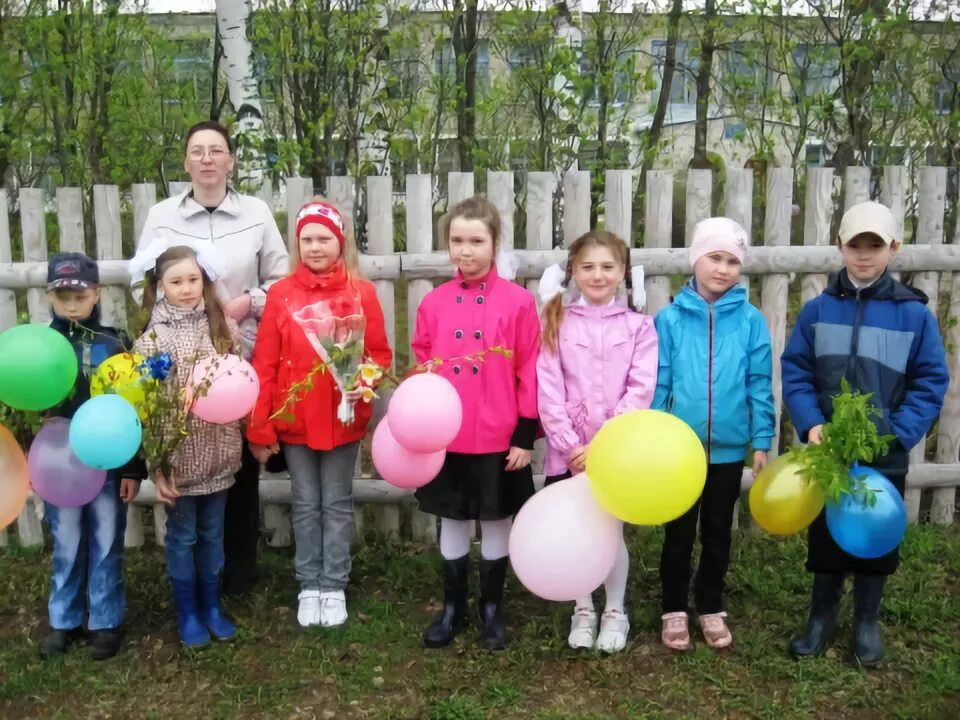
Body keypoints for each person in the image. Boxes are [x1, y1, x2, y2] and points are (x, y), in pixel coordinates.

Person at [782, 201, 949, 668]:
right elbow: (795, 370)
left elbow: (930, 380)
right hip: (829, 448)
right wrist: (812, 421)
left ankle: (867, 620)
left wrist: (899, 433)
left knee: (876, 530)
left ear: (893, 248)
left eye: (875, 245)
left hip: (884, 450)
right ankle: (821, 617)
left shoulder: (913, 317)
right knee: (827, 533)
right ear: (840, 247)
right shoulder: (817, 311)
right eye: (855, 245)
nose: (864, 255)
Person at [138, 120, 289, 596]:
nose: (207, 158)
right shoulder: (163, 216)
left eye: (216, 150)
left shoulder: (257, 212)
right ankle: (196, 576)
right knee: (188, 460)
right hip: (180, 357)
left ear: (230, 161)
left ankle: (238, 572)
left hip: (239, 356)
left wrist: (249, 302)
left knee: (238, 464)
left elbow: (281, 279)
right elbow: (143, 279)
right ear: (185, 162)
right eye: (197, 151)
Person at [247, 199, 391, 628]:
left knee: (338, 503)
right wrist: (260, 424)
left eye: (323, 238)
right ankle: (309, 582)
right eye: (306, 239)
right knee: (307, 503)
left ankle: (335, 583)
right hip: (296, 423)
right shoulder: (282, 294)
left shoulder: (360, 292)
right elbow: (265, 362)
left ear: (340, 242)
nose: (314, 247)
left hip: (342, 419)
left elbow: (378, 353)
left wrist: (359, 383)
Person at [413, 196, 540, 651]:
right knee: (452, 519)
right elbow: (423, 360)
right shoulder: (433, 302)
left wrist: (525, 434)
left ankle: (491, 610)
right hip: (447, 436)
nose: (465, 251)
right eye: (457, 241)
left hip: (498, 435)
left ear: (495, 242)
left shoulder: (519, 303)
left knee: (496, 518)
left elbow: (530, 369)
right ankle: (452, 608)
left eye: (476, 241)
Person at [653, 217, 775, 651]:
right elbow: (660, 381)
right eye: (714, 257)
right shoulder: (668, 320)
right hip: (679, 451)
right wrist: (654, 434)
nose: (722, 269)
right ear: (695, 260)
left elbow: (760, 382)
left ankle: (709, 604)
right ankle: (672, 607)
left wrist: (761, 439)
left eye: (732, 261)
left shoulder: (750, 321)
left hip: (726, 450)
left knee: (719, 530)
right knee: (679, 532)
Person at [536, 231, 658, 652]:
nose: (598, 275)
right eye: (587, 267)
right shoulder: (557, 321)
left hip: (616, 452)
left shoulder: (639, 327)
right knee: (579, 529)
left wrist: (606, 445)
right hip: (570, 452)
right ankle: (583, 606)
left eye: (608, 267)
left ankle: (615, 610)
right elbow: (548, 389)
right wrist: (570, 445)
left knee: (610, 530)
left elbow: (640, 388)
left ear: (623, 272)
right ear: (574, 272)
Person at [131, 242, 243, 647]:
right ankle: (189, 611)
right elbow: (146, 407)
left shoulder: (221, 328)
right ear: (160, 286)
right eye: (176, 281)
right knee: (184, 537)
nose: (186, 288)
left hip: (219, 454)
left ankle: (212, 606)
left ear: (204, 280)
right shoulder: (150, 340)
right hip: (178, 462)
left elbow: (238, 380)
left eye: (193, 279)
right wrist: (157, 466)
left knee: (214, 535)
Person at [39, 253, 144, 660]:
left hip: (106, 463)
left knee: (104, 540)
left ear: (96, 293)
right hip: (59, 463)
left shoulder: (114, 345)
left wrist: (132, 468)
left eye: (79, 293)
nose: (70, 302)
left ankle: (104, 620)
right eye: (61, 294)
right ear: (50, 296)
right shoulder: (43, 347)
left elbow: (131, 409)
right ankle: (63, 620)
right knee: (66, 541)